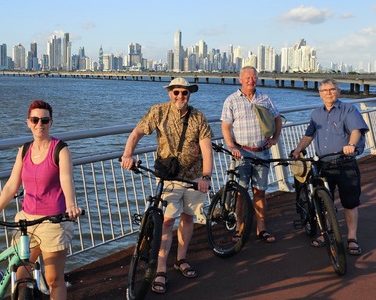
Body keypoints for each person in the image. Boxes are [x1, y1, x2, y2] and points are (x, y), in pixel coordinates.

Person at [0, 100, 82, 300]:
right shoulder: (24, 150)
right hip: (26, 221)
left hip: (53, 221)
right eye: (35, 119)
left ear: (51, 122)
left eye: (44, 120)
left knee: (54, 279)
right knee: (20, 275)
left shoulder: (60, 150)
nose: (40, 124)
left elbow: (67, 180)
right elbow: (11, 186)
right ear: (28, 122)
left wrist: (71, 205)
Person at [121, 77, 213, 295]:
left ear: (189, 95)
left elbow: (207, 149)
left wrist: (206, 177)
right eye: (177, 92)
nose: (180, 96)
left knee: (188, 218)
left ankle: (181, 258)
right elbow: (137, 133)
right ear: (169, 93)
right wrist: (127, 155)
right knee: (167, 222)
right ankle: (160, 269)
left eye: (185, 93)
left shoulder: (199, 117)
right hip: (169, 178)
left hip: (193, 177)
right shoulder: (158, 112)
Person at [291, 78, 369, 256]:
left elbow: (356, 130)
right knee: (323, 203)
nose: (328, 93)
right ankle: (326, 233)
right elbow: (308, 135)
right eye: (324, 90)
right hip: (323, 164)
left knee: (350, 203)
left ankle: (352, 238)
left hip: (345, 163)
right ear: (320, 94)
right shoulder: (316, 113)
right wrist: (297, 150)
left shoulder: (348, 109)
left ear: (339, 92)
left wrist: (351, 145)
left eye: (332, 89)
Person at [220, 66, 283, 243]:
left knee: (260, 192)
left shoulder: (265, 98)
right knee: (241, 193)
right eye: (247, 77)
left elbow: (277, 118)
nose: (251, 80)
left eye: (254, 77)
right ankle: (240, 229)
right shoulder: (231, 100)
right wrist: (231, 146)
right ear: (240, 79)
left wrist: (275, 138)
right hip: (242, 153)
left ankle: (261, 228)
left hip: (262, 152)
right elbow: (225, 126)